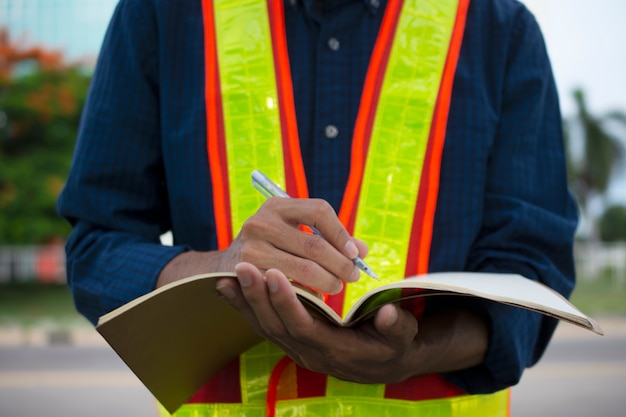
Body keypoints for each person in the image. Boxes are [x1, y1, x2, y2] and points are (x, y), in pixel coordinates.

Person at [57, 0, 578, 415]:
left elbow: (533, 273)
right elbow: (96, 249)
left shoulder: (496, 28)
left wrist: (417, 353)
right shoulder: (163, 14)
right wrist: (217, 268)